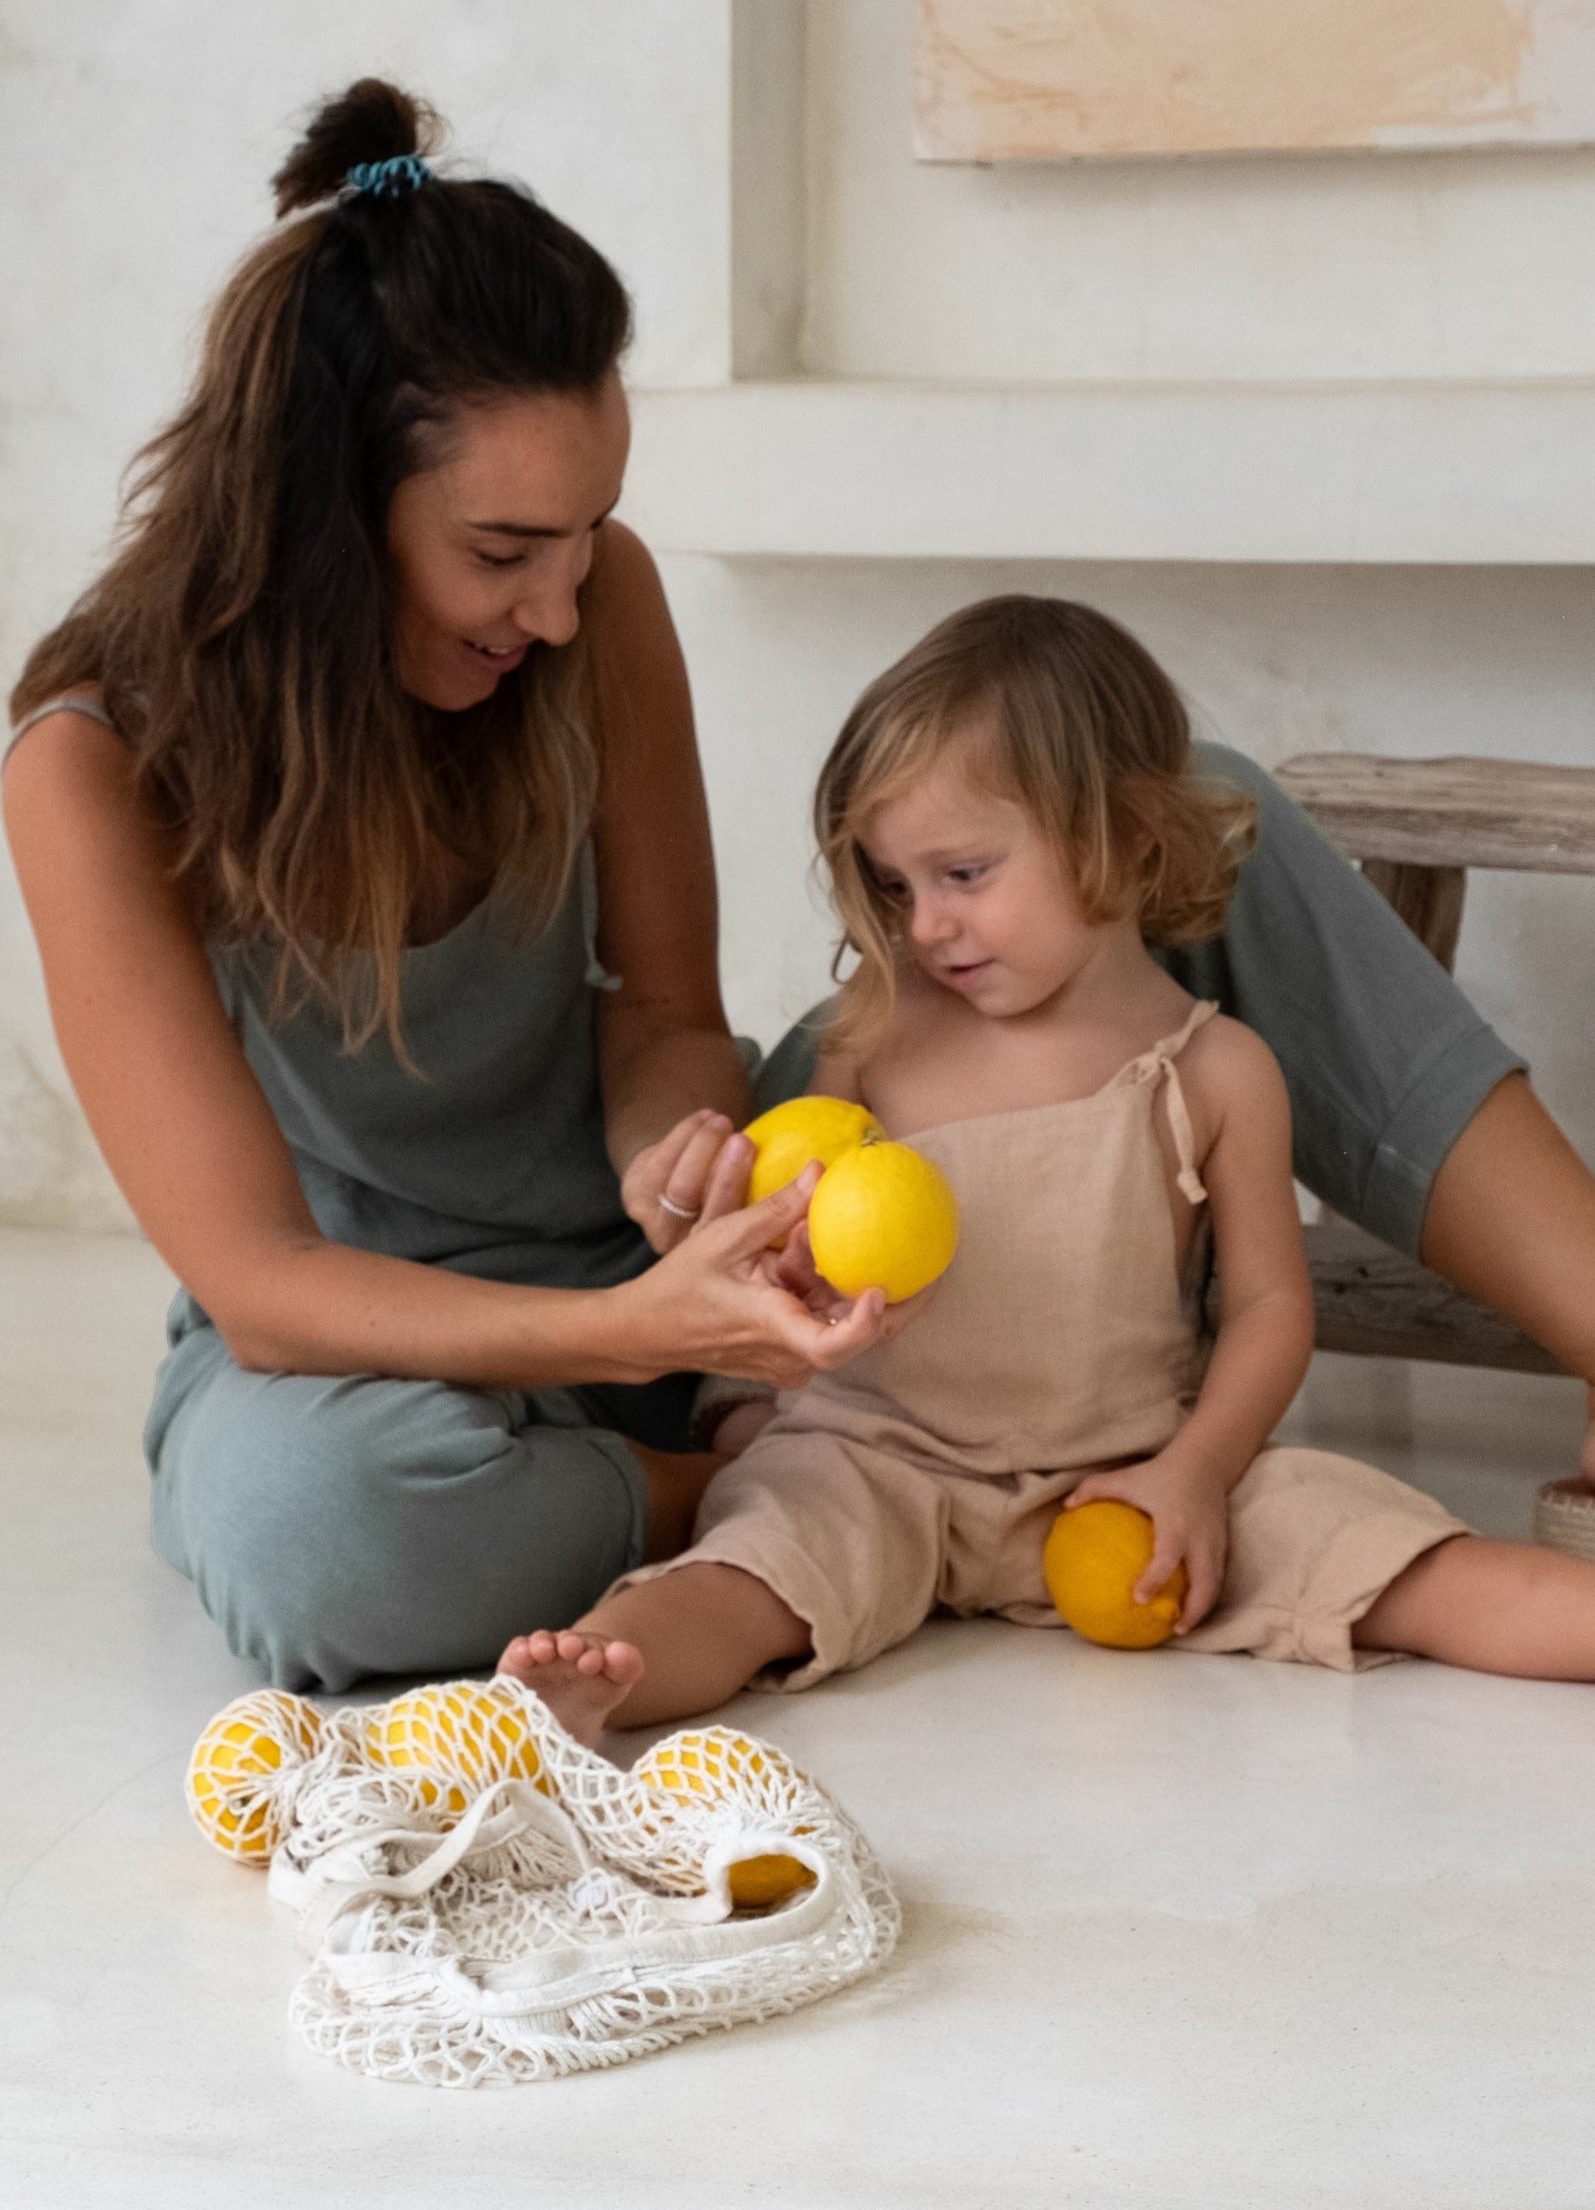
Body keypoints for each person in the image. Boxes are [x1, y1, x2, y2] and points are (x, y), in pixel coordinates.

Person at [6, 82, 1595, 1695]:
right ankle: (838, 1501)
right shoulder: (94, 765)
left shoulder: (592, 606)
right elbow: (267, 1291)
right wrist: (649, 1341)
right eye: (501, 553)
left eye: (590, 535)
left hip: (688, 1273)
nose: (557, 607)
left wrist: (684, 1175)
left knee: (1185, 814)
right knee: (324, 1539)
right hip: (382, 1355)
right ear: (322, 518)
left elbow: (669, 1019)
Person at [496, 599, 1595, 1742]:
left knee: (1397, 1553)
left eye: (962, 872)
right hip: (878, 1466)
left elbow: (1271, 1308)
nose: (926, 926)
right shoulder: (867, 1041)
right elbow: (785, 1266)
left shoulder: (1215, 1068)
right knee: (750, 1572)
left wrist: (1195, 1472)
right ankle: (580, 1690)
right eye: (896, 887)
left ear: (1118, 835)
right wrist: (774, 1366)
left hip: (1125, 1470)